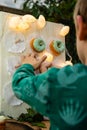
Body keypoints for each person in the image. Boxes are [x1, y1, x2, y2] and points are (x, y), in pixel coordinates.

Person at [12, 0, 87, 129]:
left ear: (81, 27)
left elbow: (19, 84)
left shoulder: (64, 81)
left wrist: (27, 66)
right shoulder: (61, 81)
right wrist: (47, 76)